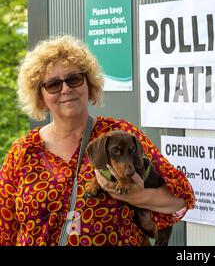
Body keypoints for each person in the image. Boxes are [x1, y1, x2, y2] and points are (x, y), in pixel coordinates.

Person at [0, 35, 195, 246]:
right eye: (53, 84)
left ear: (89, 83)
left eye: (74, 79)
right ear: (40, 95)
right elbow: (5, 226)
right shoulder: (23, 151)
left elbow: (181, 198)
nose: (66, 89)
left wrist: (137, 196)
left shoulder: (120, 134)